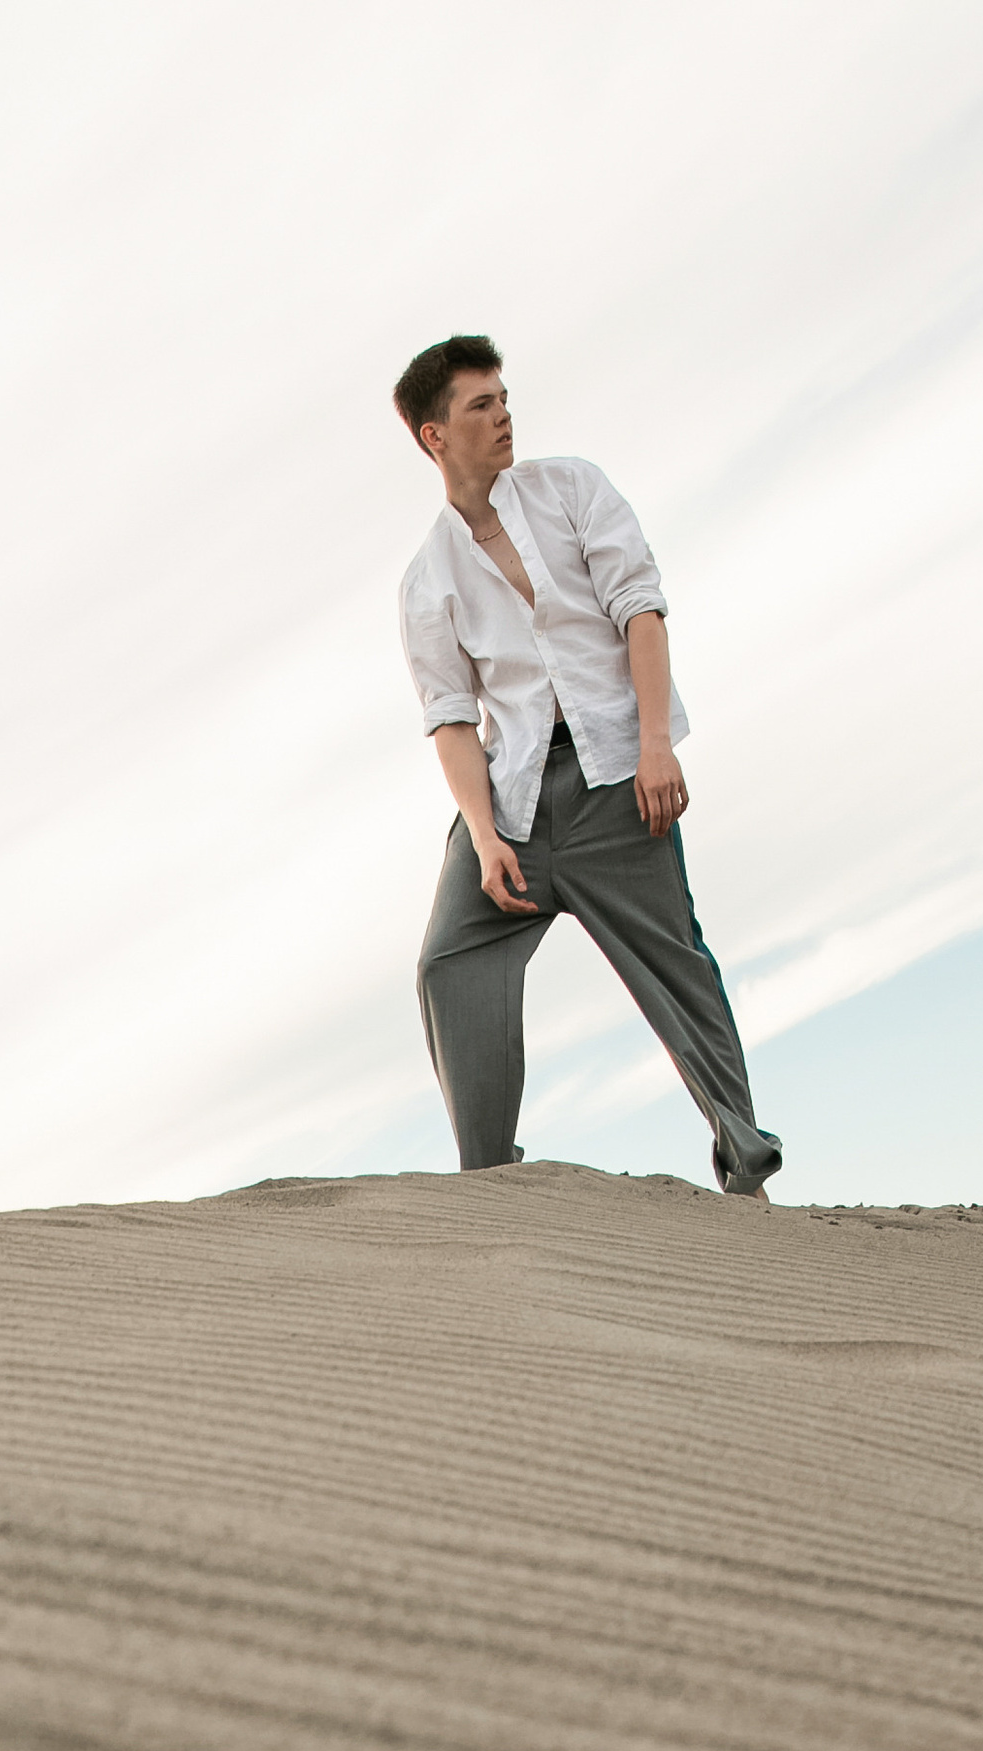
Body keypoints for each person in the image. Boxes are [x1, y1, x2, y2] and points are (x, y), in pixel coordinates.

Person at [395, 332, 779, 1198]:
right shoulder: (427, 578)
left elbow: (639, 608)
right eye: (479, 406)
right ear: (435, 435)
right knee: (448, 961)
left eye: (503, 398)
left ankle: (746, 1166)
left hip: (616, 780)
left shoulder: (572, 488)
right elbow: (452, 720)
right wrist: (487, 840)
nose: (502, 417)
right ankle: (489, 1183)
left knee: (676, 964)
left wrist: (654, 745)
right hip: (515, 800)